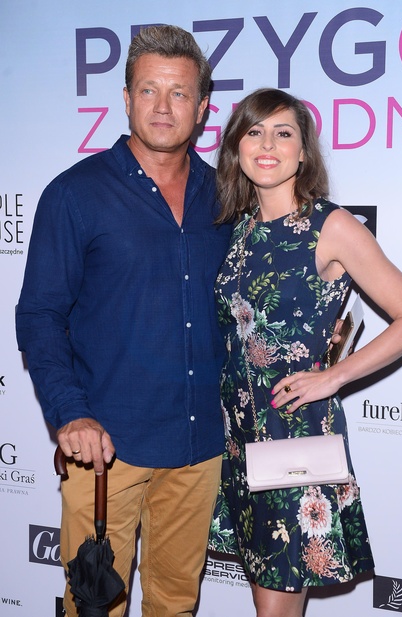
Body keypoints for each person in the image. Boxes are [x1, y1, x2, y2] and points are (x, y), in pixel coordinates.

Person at [15, 25, 233, 617]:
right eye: (148, 90)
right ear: (127, 98)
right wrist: (70, 412)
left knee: (175, 605)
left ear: (202, 107)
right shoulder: (75, 194)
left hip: (197, 449)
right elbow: (39, 314)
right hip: (105, 450)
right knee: (93, 608)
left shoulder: (225, 196)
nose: (163, 106)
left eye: (179, 93)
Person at [208, 88, 402, 617]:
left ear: (303, 151)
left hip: (294, 433)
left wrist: (334, 376)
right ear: (236, 147)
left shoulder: (329, 226)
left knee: (276, 609)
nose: (267, 145)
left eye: (283, 133)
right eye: (254, 132)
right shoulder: (237, 229)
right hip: (238, 438)